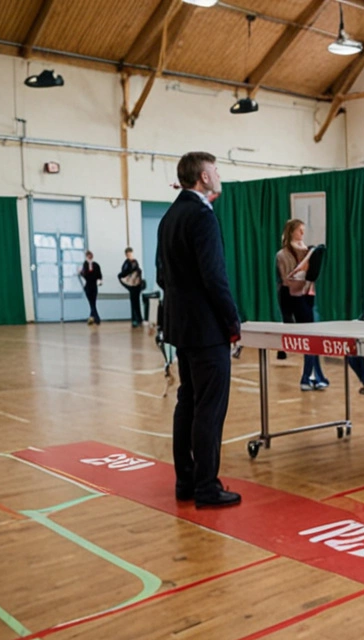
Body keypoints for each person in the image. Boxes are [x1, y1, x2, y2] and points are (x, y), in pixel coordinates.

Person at [158, 151, 241, 508]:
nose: (219, 174)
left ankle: (186, 481)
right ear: (203, 177)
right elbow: (214, 277)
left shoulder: (169, 216)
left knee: (188, 402)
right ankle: (207, 486)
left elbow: (162, 276)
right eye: (215, 170)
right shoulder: (202, 217)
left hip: (181, 325)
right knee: (209, 406)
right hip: (207, 329)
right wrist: (231, 321)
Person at [275, 219, 329, 391]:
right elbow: (286, 280)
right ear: (291, 232)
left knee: (313, 337)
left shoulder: (307, 250)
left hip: (308, 295)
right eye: (299, 230)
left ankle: (316, 376)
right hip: (294, 297)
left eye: (303, 230)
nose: (302, 234)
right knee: (309, 337)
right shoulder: (282, 255)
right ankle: (307, 377)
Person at [118, 248, 145, 328]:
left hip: (136, 285)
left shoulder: (134, 262)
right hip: (132, 285)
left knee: (135, 302)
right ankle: (136, 320)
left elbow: (131, 271)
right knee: (134, 302)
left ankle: (138, 320)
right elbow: (124, 273)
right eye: (127, 254)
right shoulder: (126, 263)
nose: (129, 255)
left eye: (130, 253)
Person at [79, 251, 102, 325]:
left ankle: (92, 317)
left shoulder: (96, 265)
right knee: (91, 303)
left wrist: (100, 281)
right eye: (88, 256)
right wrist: (81, 272)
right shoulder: (85, 264)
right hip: (88, 286)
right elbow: (84, 274)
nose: (89, 257)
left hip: (94, 285)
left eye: (90, 255)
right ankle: (97, 318)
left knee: (93, 302)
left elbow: (99, 275)